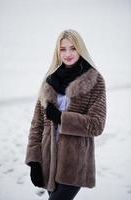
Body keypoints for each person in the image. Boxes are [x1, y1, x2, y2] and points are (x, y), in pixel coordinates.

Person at [25, 29, 106, 200]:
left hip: (74, 164)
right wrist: (34, 161)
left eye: (73, 48)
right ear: (57, 51)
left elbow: (97, 125)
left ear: (80, 49)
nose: (68, 53)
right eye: (63, 49)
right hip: (47, 162)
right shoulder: (49, 81)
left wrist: (61, 118)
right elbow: (36, 125)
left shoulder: (95, 80)